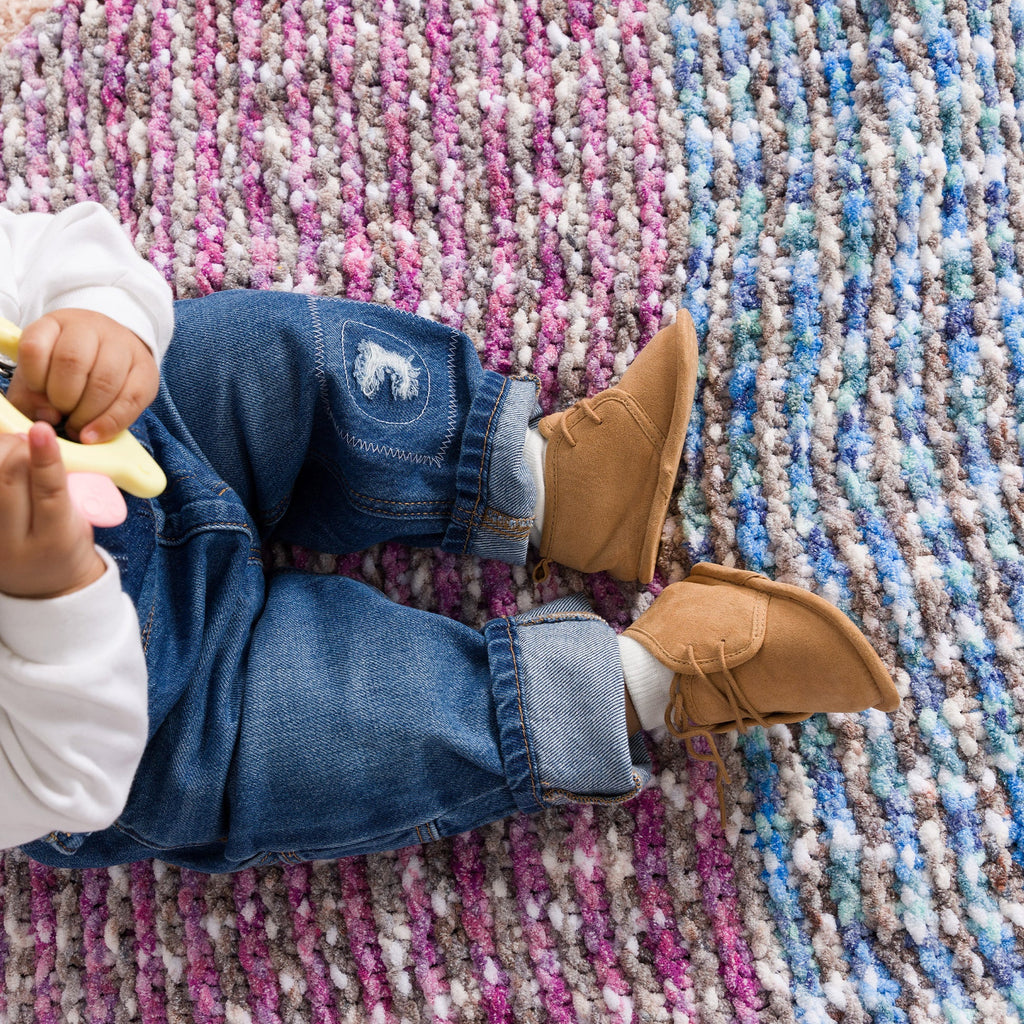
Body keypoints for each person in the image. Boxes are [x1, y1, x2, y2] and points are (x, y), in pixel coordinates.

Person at [0, 203, 899, 873]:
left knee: (260, 354)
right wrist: (51, 600)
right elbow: (60, 778)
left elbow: (49, 246)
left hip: (137, 421)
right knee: (333, 727)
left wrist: (95, 318)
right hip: (137, 711)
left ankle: (554, 484)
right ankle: (627, 689)